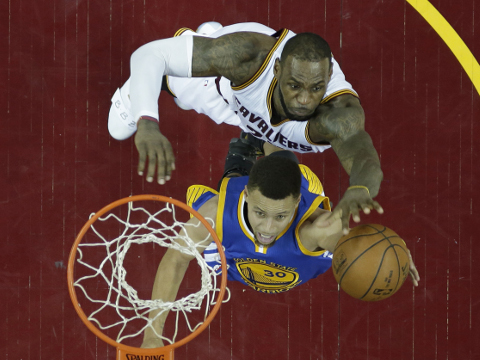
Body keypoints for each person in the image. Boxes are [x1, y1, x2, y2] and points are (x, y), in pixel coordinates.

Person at [108, 21, 384, 233]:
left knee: (267, 135)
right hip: (227, 88)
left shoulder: (336, 116)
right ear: (277, 70)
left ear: (329, 77)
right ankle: (200, 41)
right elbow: (149, 55)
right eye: (295, 85)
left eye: (315, 88)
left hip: (249, 117)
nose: (304, 99)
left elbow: (363, 157)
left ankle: (210, 36)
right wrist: (147, 123)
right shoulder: (250, 58)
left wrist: (360, 189)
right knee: (125, 122)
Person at [140, 151, 420, 348]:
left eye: (281, 216)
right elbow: (176, 259)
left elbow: (365, 245)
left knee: (283, 156)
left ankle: (268, 135)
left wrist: (391, 253)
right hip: (235, 238)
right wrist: (152, 335)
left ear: (297, 204)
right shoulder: (214, 214)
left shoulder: (318, 231)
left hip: (294, 215)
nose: (269, 228)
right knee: (236, 176)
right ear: (247, 196)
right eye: (260, 213)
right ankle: (244, 152)